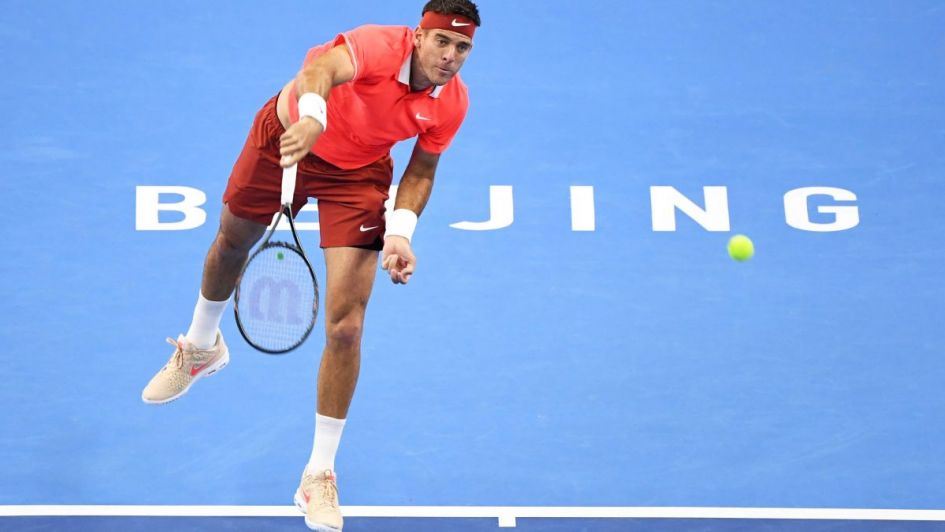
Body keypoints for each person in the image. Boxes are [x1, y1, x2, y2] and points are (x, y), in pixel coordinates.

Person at [141, 1, 480, 530]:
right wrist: (315, 119)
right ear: (418, 37)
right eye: (442, 41)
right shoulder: (376, 45)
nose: (450, 56)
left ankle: (318, 474)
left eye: (462, 48)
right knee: (231, 243)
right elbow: (319, 71)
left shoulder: (451, 103)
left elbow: (421, 170)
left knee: (347, 327)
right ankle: (202, 345)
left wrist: (400, 232)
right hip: (289, 139)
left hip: (358, 175)